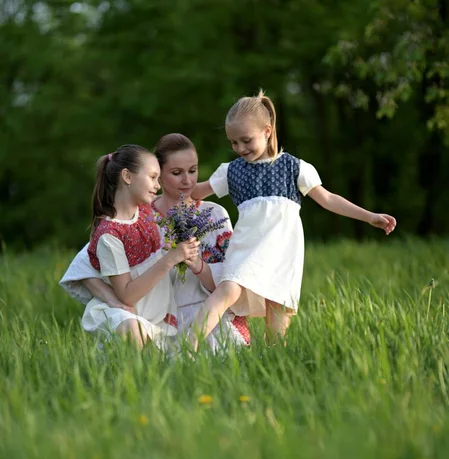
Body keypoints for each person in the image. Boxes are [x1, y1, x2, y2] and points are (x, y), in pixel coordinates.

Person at [189, 90, 397, 348]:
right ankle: (187, 347)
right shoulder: (231, 171)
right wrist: (160, 189)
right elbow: (195, 191)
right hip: (245, 250)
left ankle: (271, 367)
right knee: (227, 290)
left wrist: (369, 216)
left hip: (281, 256)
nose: (240, 148)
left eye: (246, 140)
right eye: (233, 142)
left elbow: (329, 199)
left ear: (267, 131)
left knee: (276, 324)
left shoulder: (295, 168)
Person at [59, 135, 250, 351]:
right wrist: (115, 300)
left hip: (207, 317)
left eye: (193, 170)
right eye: (176, 173)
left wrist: (198, 266)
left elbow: (232, 284)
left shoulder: (214, 215)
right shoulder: (141, 215)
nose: (187, 181)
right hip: (161, 318)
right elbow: (85, 265)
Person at [70, 143, 199, 349]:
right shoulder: (110, 235)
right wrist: (171, 258)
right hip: (129, 312)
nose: (158, 185)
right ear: (128, 177)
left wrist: (222, 183)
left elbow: (181, 193)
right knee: (133, 335)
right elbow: (126, 295)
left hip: (153, 311)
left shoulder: (145, 209)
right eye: (152, 177)